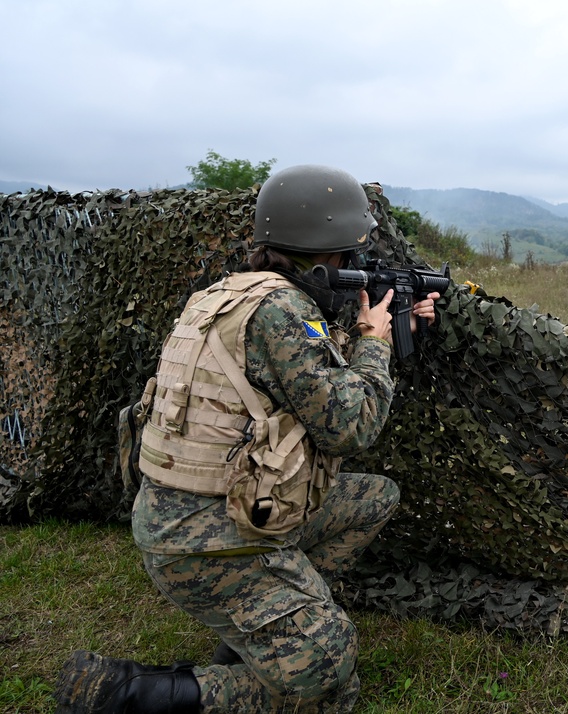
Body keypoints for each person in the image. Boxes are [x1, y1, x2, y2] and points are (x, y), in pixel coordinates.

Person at [54, 164, 441, 713]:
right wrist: (376, 342)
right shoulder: (283, 312)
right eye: (349, 255)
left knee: (375, 497)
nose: (355, 265)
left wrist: (380, 324)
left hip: (189, 511)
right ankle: (128, 694)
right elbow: (351, 424)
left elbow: (302, 378)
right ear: (326, 250)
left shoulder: (233, 295)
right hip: (207, 535)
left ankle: (270, 620)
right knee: (329, 679)